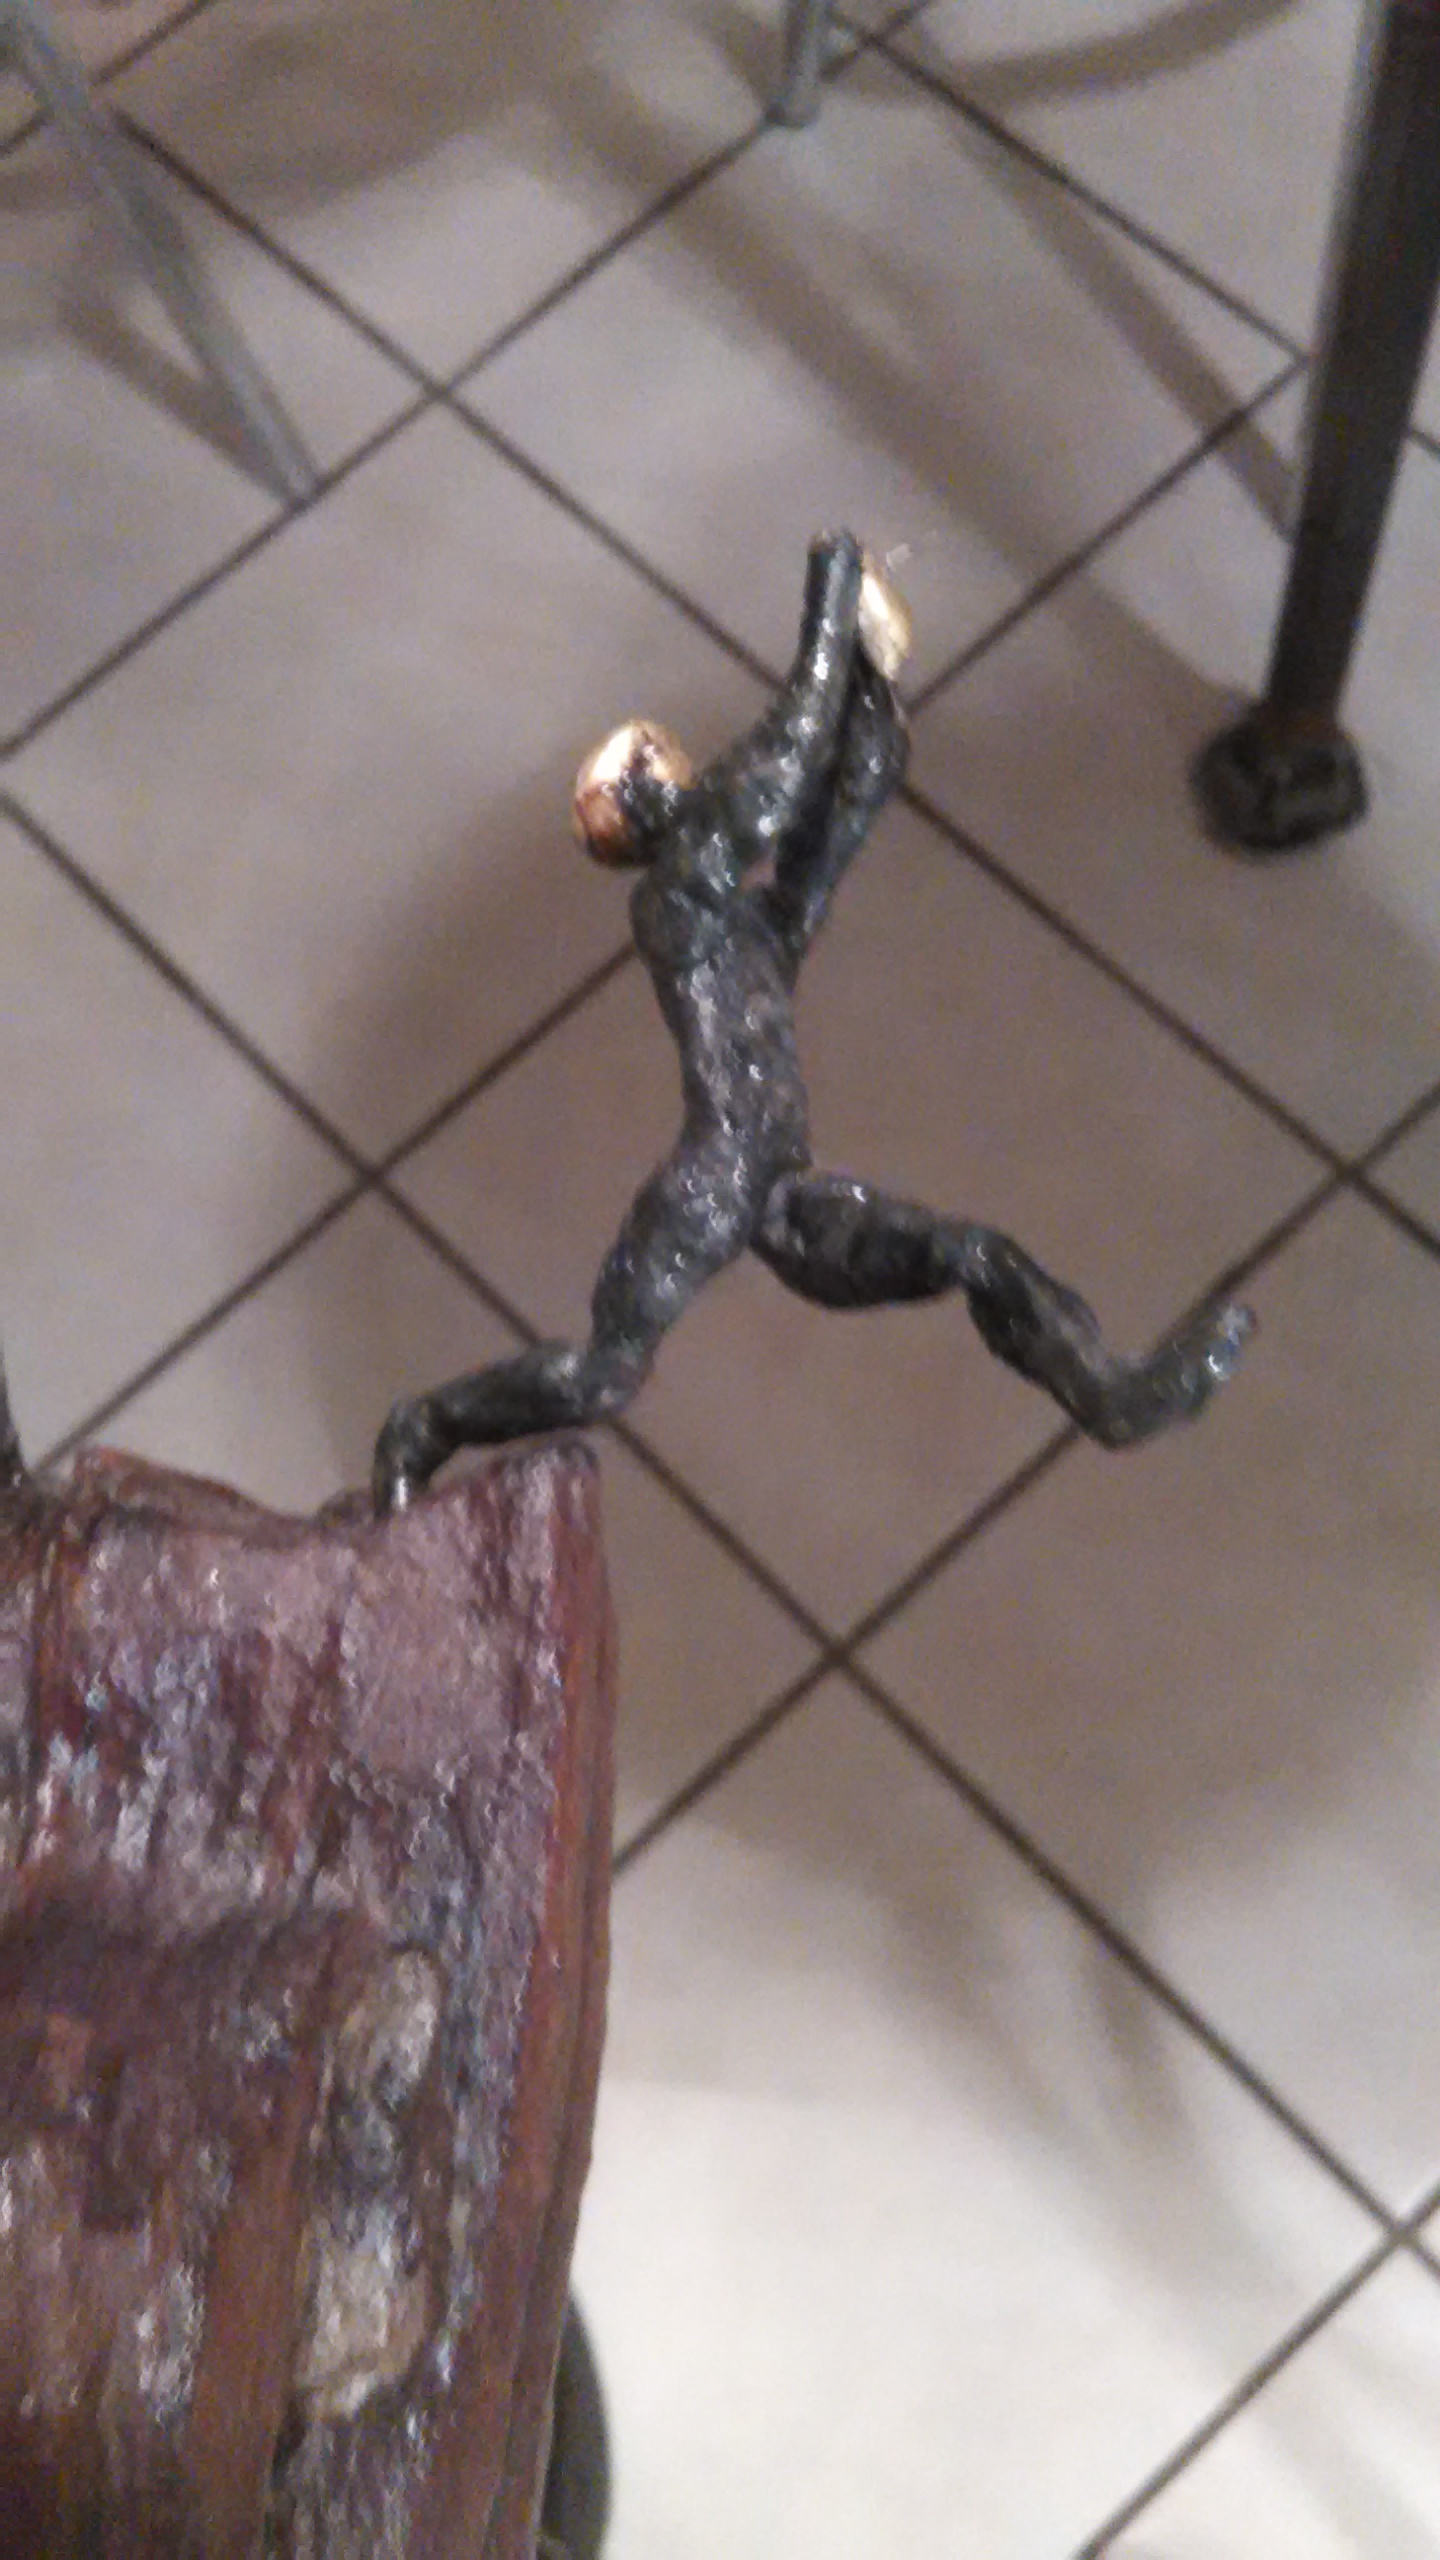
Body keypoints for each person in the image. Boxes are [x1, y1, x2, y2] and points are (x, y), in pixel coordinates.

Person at [374, 531, 1251, 1513]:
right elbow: (779, 773)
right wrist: (828, 599)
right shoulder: (674, 904)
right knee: (602, 1374)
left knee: (972, 1256)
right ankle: (425, 1426)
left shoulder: (754, 934)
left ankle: (1111, 1394)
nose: (675, 766)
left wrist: (872, 682)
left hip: (778, 1193)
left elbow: (846, 805)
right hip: (715, 1183)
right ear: (648, 807)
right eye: (655, 769)